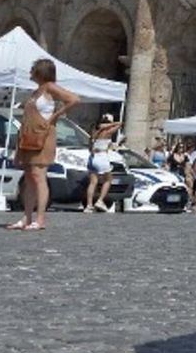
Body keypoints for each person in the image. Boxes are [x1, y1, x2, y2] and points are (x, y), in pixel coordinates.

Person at [11, 59, 80, 231]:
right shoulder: (36, 91)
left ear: (40, 72)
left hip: (43, 136)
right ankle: (27, 217)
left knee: (38, 176)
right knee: (29, 177)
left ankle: (40, 218)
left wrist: (55, 116)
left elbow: (73, 99)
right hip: (29, 135)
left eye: (33, 69)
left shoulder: (50, 87)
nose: (30, 72)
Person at [82, 113, 122, 213]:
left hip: (92, 157)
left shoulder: (93, 133)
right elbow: (120, 124)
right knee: (108, 179)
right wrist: (111, 124)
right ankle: (100, 200)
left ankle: (89, 205)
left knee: (93, 182)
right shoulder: (108, 132)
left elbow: (89, 147)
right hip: (102, 156)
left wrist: (101, 126)